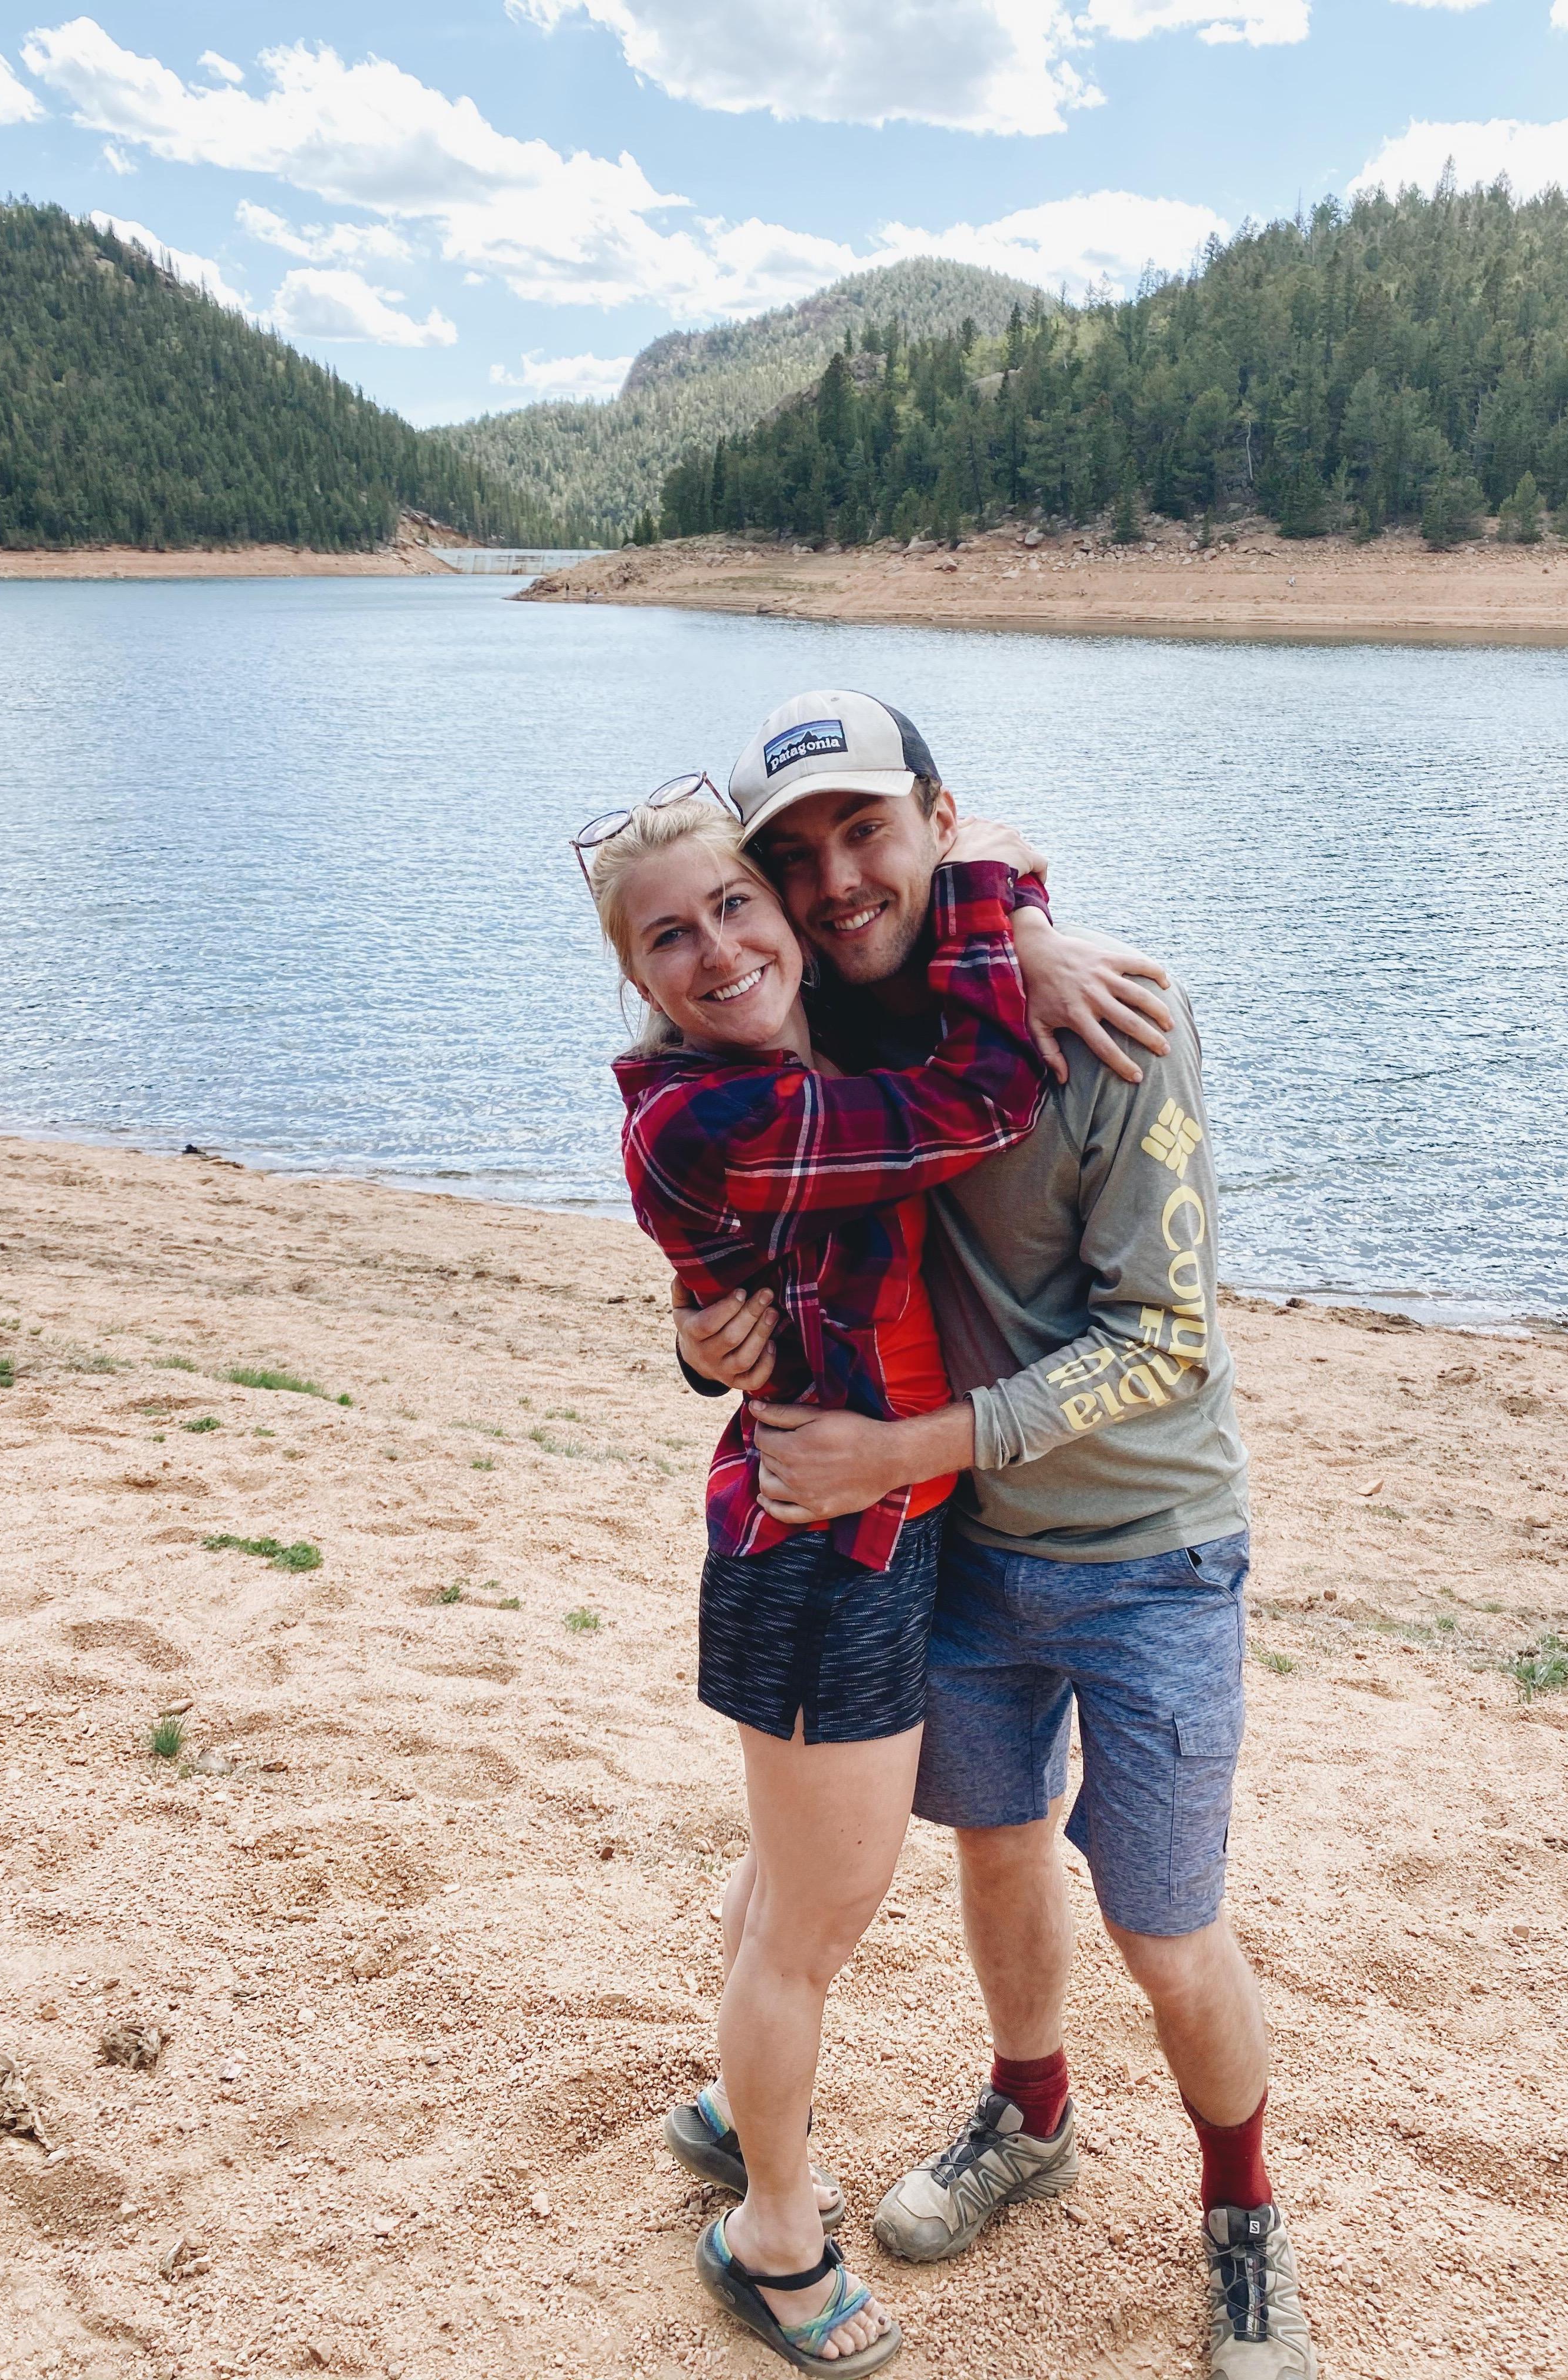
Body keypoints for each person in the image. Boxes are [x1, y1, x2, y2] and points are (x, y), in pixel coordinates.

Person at [672, 691, 1319, 2379]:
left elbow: (1163, 1340)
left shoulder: (1110, 1024)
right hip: (959, 1546)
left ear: (939, 824)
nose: (835, 881)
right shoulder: (817, 1030)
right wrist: (705, 1337)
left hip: (1151, 1547)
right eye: (796, 855)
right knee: (998, 1844)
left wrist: (907, 1445)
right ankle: (1031, 2114)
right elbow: (753, 1232)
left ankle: (1243, 2214)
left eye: (866, 831)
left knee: (1165, 1926)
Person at [581, 765, 1137, 2372]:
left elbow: (968, 863)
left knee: (784, 1888)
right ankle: (773, 2235)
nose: (720, 952)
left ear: (787, 913)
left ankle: (730, 2106)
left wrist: (1014, 906)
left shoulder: (802, 1043)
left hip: (848, 1522)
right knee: (812, 1930)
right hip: (822, 1553)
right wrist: (996, 904)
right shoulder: (715, 1113)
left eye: (737, 907)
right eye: (671, 937)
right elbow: (982, 1103)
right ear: (637, 977)